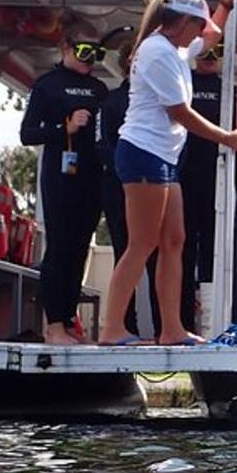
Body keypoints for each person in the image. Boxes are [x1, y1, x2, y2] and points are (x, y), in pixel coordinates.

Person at [98, 0, 237, 346]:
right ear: (183, 23)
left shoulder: (177, 48)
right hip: (142, 152)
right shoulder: (157, 53)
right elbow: (179, 112)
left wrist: (226, 1)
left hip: (163, 157)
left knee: (174, 239)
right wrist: (226, 137)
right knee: (142, 242)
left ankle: (172, 329)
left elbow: (212, 33)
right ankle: (112, 328)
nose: (202, 35)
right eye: (197, 26)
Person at [20, 16, 109, 345]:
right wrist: (64, 129)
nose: (90, 60)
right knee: (58, 247)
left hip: (91, 177)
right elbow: (27, 134)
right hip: (60, 177)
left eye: (97, 53)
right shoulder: (47, 85)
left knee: (78, 249)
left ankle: (69, 318)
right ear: (66, 47)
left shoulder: (100, 89)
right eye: (85, 52)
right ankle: (53, 323)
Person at [98, 41, 158, 337]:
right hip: (121, 186)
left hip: (156, 182)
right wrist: (129, 174)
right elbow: (103, 146)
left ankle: (164, 326)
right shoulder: (111, 101)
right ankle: (123, 325)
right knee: (128, 250)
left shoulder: (159, 96)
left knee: (160, 251)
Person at [177, 41, 224, 332]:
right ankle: (179, 321)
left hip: (216, 182)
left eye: (217, 52)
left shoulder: (228, 90)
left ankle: (209, 322)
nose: (209, 58)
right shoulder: (183, 84)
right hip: (182, 179)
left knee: (212, 251)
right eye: (205, 51)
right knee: (181, 250)